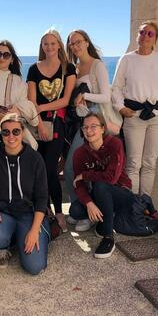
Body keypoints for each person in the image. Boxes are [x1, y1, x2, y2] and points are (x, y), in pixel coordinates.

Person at [111, 20, 158, 196]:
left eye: (150, 33)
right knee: (133, 163)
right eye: (142, 32)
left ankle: (145, 204)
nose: (145, 36)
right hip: (134, 117)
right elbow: (116, 88)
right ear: (137, 35)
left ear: (155, 38)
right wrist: (120, 108)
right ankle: (132, 205)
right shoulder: (127, 59)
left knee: (150, 163)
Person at [0, 114, 50, 274]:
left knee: (35, 267)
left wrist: (34, 230)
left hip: (28, 215)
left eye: (16, 131)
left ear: (23, 133)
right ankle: (6, 244)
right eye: (6, 132)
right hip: (3, 214)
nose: (11, 136)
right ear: (0, 133)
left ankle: (26, 235)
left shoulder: (35, 159)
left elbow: (42, 197)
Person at [63, 29, 113, 232]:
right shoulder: (75, 67)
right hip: (80, 122)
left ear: (86, 42)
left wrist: (84, 96)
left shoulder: (97, 65)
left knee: (75, 167)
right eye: (72, 43)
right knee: (72, 168)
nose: (76, 46)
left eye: (79, 42)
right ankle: (80, 209)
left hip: (94, 122)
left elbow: (106, 97)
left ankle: (87, 213)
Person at [26, 29, 76, 231]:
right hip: (36, 124)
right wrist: (38, 122)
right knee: (38, 170)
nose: (49, 47)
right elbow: (30, 100)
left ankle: (58, 212)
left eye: (53, 43)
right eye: (45, 43)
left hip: (57, 124)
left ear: (59, 46)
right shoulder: (33, 68)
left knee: (49, 169)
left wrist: (42, 108)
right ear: (42, 46)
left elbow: (65, 100)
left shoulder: (68, 68)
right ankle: (43, 210)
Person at [69, 112, 134, 258]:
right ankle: (104, 215)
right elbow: (78, 184)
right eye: (85, 128)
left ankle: (108, 237)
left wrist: (85, 175)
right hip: (99, 195)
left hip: (120, 193)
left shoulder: (115, 144)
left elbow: (111, 179)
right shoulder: (79, 153)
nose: (89, 131)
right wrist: (89, 203)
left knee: (101, 185)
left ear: (103, 128)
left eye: (93, 126)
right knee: (75, 211)